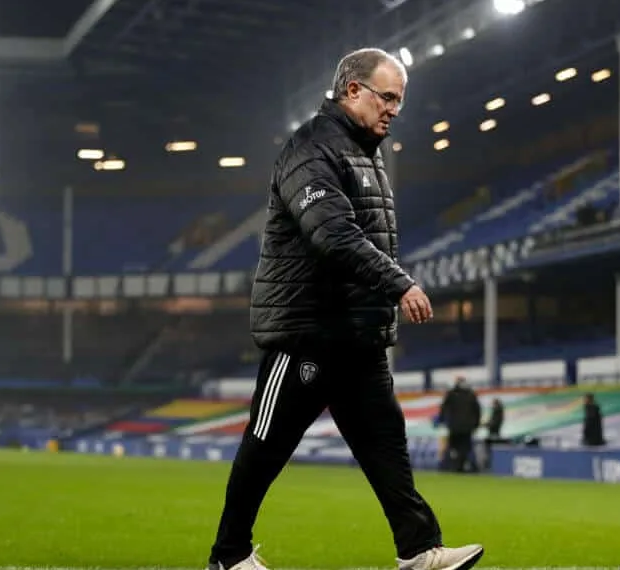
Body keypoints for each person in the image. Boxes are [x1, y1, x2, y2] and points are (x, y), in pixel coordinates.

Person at [206, 48, 483, 570]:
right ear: (352, 90)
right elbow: (332, 235)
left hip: (357, 335)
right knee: (266, 446)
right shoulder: (309, 149)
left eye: (399, 100)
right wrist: (399, 284)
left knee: (386, 445)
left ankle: (420, 551)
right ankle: (228, 556)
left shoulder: (365, 153)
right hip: (307, 331)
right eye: (388, 97)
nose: (394, 110)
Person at [438, 377, 481, 472]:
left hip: (454, 427)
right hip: (467, 428)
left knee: (454, 447)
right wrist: (476, 424)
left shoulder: (451, 394)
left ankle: (455, 466)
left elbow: (443, 408)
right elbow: (477, 411)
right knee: (465, 448)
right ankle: (462, 465)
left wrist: (442, 421)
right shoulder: (471, 394)